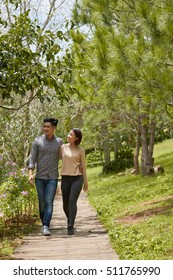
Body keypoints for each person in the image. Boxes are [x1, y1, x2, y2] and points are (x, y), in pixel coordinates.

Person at [28, 117, 63, 236]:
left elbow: (65, 156)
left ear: (54, 127)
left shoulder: (59, 142)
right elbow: (32, 158)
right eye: (44, 126)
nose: (45, 128)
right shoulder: (37, 141)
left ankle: (46, 225)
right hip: (40, 177)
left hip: (52, 177)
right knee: (42, 203)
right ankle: (44, 223)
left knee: (49, 202)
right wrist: (31, 174)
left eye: (48, 126)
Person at [60, 128, 88, 235]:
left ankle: (70, 225)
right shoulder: (62, 147)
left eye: (71, 135)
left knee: (72, 201)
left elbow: (83, 166)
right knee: (65, 204)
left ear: (76, 138)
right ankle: (69, 218)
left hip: (77, 178)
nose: (68, 135)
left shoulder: (81, 150)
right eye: (69, 133)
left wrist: (85, 181)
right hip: (65, 178)